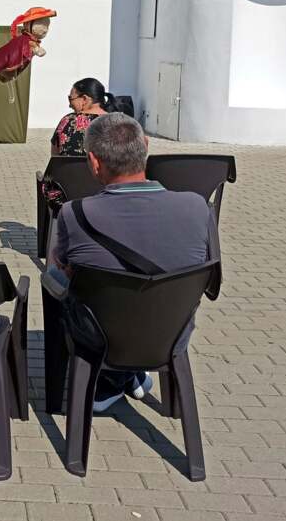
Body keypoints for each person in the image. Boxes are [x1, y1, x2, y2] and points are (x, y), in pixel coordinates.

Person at [48, 112, 218, 412]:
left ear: (94, 162)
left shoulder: (74, 213)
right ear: (146, 146)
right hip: (170, 333)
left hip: (100, 337)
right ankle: (129, 377)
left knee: (55, 280)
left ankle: (106, 381)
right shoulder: (197, 207)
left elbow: (60, 266)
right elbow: (210, 279)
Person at [51, 78, 117, 157]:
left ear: (84, 99)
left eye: (70, 99)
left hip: (69, 166)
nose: (69, 105)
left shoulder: (67, 121)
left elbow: (55, 155)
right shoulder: (117, 122)